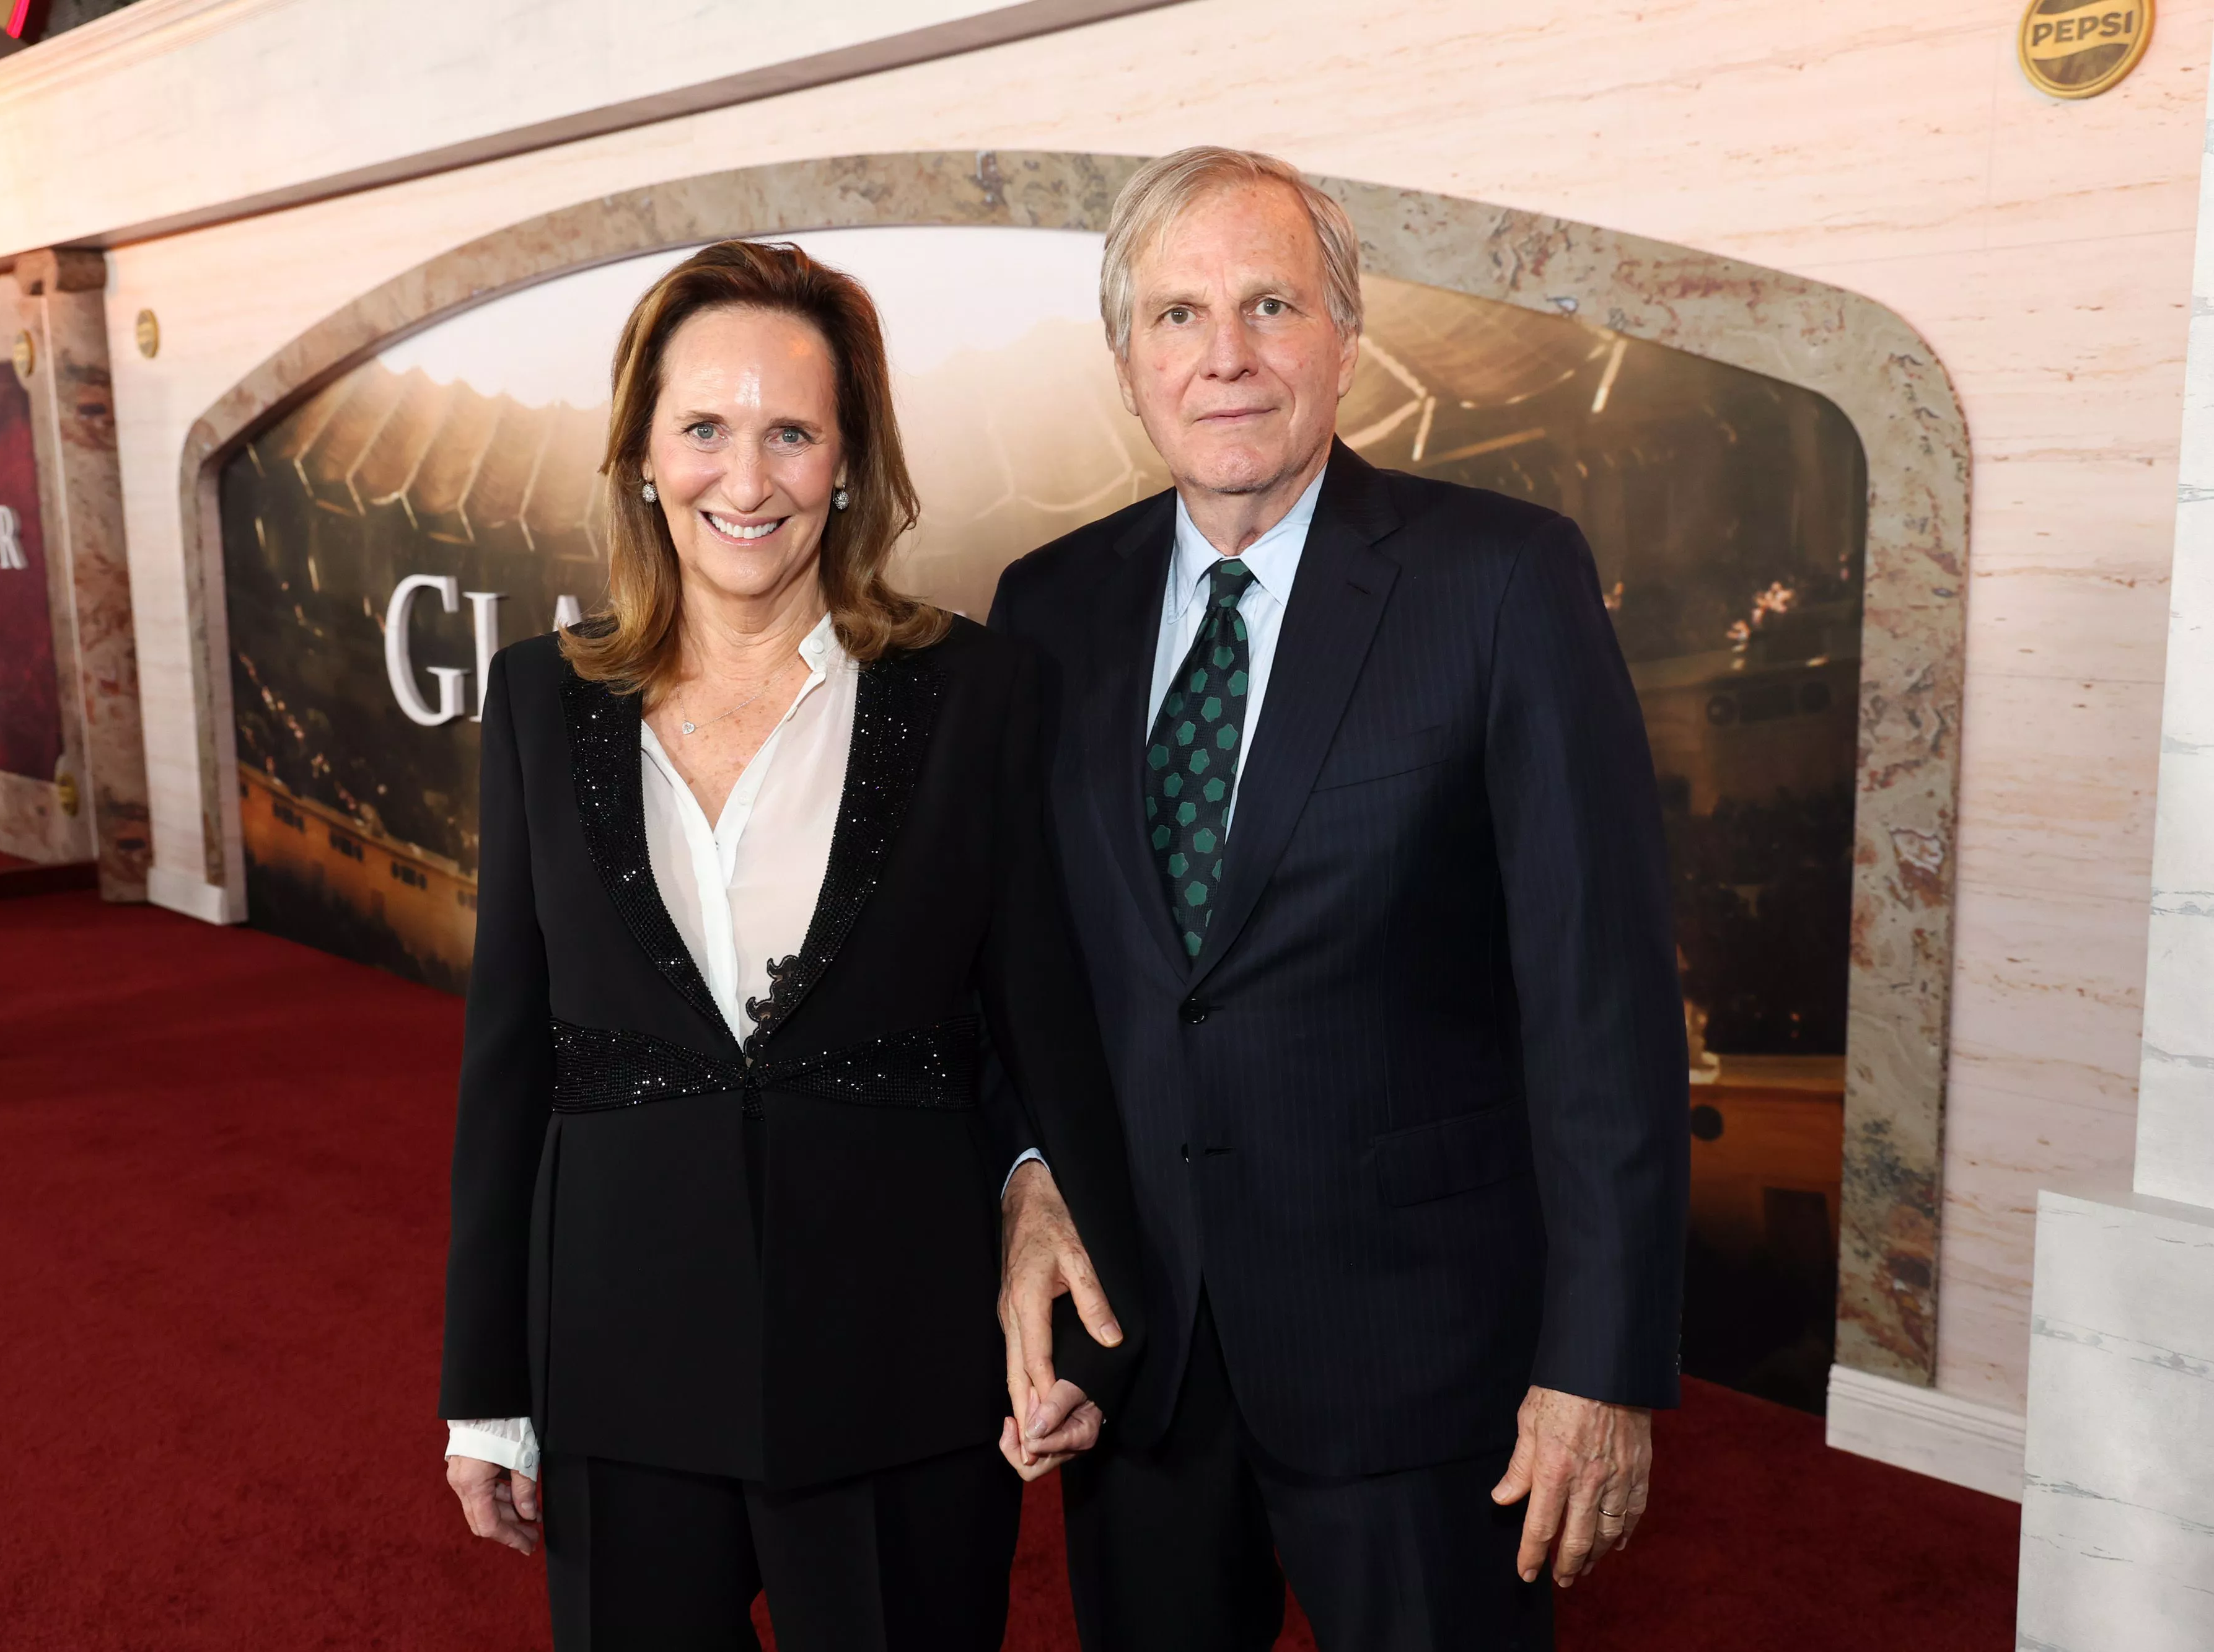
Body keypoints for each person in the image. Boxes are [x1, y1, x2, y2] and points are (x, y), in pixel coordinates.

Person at [986, 147, 1689, 1651]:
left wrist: (1600, 1362)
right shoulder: (1046, 607)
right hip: (1142, 1357)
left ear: (1344, 337)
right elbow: (1029, 966)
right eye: (1175, 316)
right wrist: (1029, 1172)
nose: (1223, 356)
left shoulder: (1499, 580)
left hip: (1422, 1362)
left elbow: (1602, 1000)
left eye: (1268, 305)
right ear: (1126, 362)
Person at [437, 239, 1144, 1651]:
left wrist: (1086, 1315)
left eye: (791, 433)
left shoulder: (972, 692)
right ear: (642, 455)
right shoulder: (539, 701)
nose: (745, 479)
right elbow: (509, 1058)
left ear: (850, 461)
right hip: (620, 1362)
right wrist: (486, 1392)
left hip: (899, 1368)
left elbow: (1048, 1031)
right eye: (703, 427)